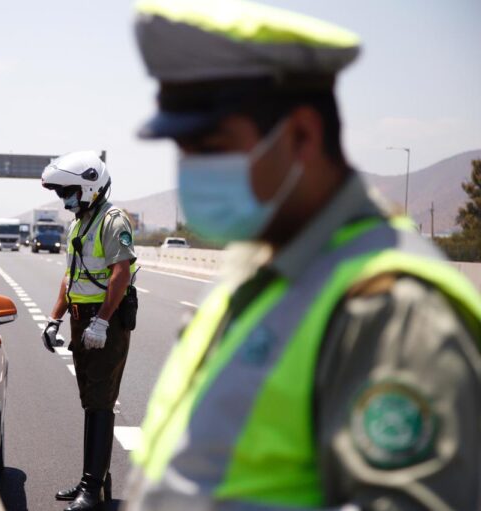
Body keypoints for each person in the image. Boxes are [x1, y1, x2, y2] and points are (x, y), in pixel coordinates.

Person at [125, 1, 481, 510]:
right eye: (183, 148)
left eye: (211, 146)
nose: (190, 168)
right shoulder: (263, 273)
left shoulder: (392, 309)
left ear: (302, 136)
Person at [41, 150, 138, 510]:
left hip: (105, 321)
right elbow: (71, 277)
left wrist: (101, 321)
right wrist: (54, 318)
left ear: (90, 187)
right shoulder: (80, 223)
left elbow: (121, 273)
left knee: (100, 403)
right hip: (82, 319)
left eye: (68, 191)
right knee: (90, 402)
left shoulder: (113, 220)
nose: (64, 199)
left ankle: (91, 488)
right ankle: (93, 481)